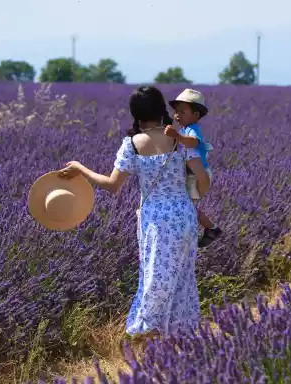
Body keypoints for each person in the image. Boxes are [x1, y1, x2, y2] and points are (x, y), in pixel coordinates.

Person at [59, 86, 210, 337]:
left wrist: (79, 168)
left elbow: (112, 185)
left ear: (136, 113)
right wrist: (190, 200)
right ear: (161, 109)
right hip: (184, 215)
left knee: (154, 275)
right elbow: (203, 181)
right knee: (182, 276)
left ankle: (146, 332)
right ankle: (180, 334)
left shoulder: (132, 145)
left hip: (154, 220)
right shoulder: (181, 139)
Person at [164, 88, 222, 248]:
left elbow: (192, 142)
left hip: (197, 176)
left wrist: (177, 136)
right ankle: (211, 228)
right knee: (185, 207)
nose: (177, 115)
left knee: (185, 207)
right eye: (176, 111)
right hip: (190, 175)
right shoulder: (184, 130)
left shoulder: (192, 129)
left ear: (196, 115)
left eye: (182, 111)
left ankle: (204, 230)